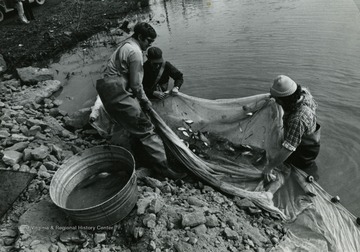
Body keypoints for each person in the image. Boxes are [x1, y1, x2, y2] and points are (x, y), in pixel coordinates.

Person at [95, 22, 186, 179]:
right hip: (118, 93)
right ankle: (163, 169)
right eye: (148, 41)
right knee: (147, 129)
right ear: (140, 37)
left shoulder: (124, 46)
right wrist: (145, 102)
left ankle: (130, 157)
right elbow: (137, 85)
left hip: (108, 91)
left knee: (127, 125)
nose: (149, 44)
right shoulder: (135, 52)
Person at [262, 75, 320, 191]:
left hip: (305, 149)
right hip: (300, 135)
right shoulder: (302, 93)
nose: (276, 102)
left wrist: (269, 168)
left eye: (278, 100)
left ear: (287, 101)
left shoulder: (299, 119)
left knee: (292, 168)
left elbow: (288, 148)